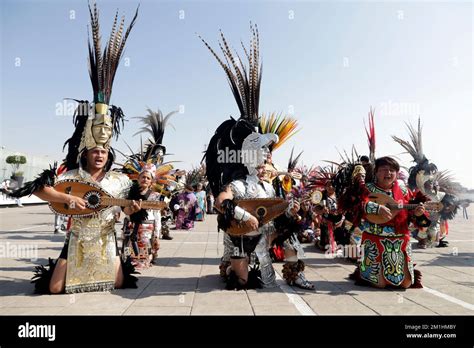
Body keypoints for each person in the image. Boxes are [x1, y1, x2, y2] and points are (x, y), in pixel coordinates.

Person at [11, 3, 139, 294]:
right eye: (95, 150)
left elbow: (133, 207)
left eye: (104, 151)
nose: (99, 154)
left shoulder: (118, 180)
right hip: (77, 236)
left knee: (120, 283)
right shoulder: (70, 174)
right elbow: (37, 188)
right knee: (55, 288)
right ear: (85, 151)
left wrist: (135, 208)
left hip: (107, 238)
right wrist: (65, 199)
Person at [201, 25, 302, 290]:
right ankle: (230, 267)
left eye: (267, 154)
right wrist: (241, 215)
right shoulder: (238, 184)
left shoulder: (269, 185)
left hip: (265, 237)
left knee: (292, 234)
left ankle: (295, 272)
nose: (266, 158)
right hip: (241, 239)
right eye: (260, 154)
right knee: (241, 282)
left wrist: (289, 211)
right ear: (247, 157)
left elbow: (277, 211)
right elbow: (221, 201)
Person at [350, 156, 430, 289]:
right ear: (376, 172)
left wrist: (417, 214)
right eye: (383, 169)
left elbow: (417, 218)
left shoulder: (404, 191)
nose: (388, 173)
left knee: (406, 283)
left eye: (392, 170)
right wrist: (376, 208)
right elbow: (354, 207)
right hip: (374, 239)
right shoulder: (367, 189)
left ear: (397, 173)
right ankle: (364, 271)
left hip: (400, 240)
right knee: (380, 283)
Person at [123, 166, 161, 269]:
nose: (145, 179)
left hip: (147, 225)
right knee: (129, 244)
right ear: (138, 179)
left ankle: (144, 262)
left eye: (148, 178)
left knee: (145, 244)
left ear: (151, 181)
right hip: (131, 224)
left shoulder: (155, 195)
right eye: (143, 177)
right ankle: (129, 263)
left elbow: (157, 215)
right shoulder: (129, 193)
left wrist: (157, 234)